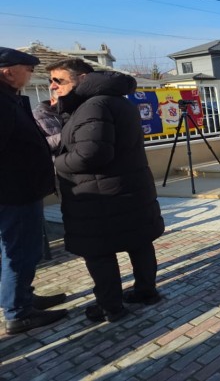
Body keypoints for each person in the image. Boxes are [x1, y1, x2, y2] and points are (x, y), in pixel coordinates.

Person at [54, 70, 165, 323]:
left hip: (100, 195)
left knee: (99, 250)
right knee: (139, 242)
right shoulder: (117, 101)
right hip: (126, 188)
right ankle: (146, 292)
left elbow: (91, 154)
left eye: (58, 80)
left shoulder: (94, 105)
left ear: (80, 79)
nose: (53, 86)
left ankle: (109, 306)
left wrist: (56, 163)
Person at [0, 47, 68, 335]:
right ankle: (18, 312)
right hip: (13, 193)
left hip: (19, 189)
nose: (31, 74)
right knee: (20, 252)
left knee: (20, 251)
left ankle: (22, 298)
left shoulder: (9, 99)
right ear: (8, 71)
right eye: (27, 69)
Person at [32, 59, 96, 260]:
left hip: (85, 171)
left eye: (58, 82)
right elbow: (40, 144)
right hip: (62, 173)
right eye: (52, 83)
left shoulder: (80, 108)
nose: (54, 87)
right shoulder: (40, 114)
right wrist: (67, 134)